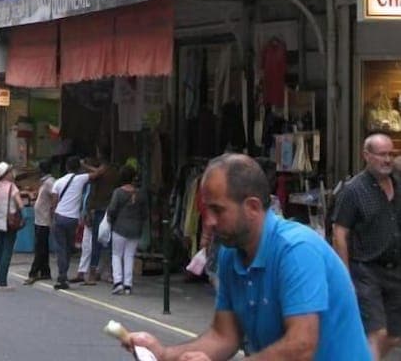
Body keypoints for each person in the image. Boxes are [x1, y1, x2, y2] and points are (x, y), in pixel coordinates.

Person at [127, 153, 371, 361]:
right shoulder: (230, 252)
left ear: (253, 207)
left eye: (217, 210)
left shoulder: (296, 250)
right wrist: (163, 354)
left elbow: (301, 346)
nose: (208, 222)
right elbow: (224, 336)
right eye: (206, 210)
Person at [333, 132, 401, 360]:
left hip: (395, 270)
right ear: (366, 155)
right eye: (381, 154)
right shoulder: (353, 190)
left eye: (391, 154)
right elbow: (340, 233)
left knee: (394, 335)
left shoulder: (398, 184)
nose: (387, 160)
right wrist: (344, 276)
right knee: (377, 333)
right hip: (366, 271)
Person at [50, 155, 97, 290]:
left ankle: (62, 276)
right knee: (68, 248)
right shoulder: (81, 179)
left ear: (66, 167)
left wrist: (52, 219)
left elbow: (54, 204)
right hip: (72, 220)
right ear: (78, 168)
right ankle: (63, 275)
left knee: (61, 248)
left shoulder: (58, 182)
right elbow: (99, 172)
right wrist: (85, 165)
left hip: (59, 216)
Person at [106, 163, 148, 295]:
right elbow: (145, 214)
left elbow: (112, 209)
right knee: (129, 256)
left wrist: (110, 220)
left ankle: (118, 282)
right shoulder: (141, 194)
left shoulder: (118, 192)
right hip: (135, 229)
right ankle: (128, 285)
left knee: (116, 255)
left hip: (119, 227)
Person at [84, 147, 118, 285]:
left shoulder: (99, 174)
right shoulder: (114, 171)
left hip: (99, 209)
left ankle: (93, 272)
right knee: (110, 242)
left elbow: (93, 192)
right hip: (111, 208)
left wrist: (88, 210)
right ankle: (110, 272)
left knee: (96, 242)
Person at [0, 162, 24, 291]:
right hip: (10, 223)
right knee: (7, 252)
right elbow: (20, 204)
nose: (12, 174)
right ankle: (3, 283)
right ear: (6, 174)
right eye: (10, 172)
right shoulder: (12, 187)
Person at [24, 160, 54, 284]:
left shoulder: (49, 182)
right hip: (40, 218)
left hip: (44, 219)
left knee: (40, 247)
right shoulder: (45, 182)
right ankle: (45, 271)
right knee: (43, 246)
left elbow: (55, 196)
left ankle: (33, 272)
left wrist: (52, 211)